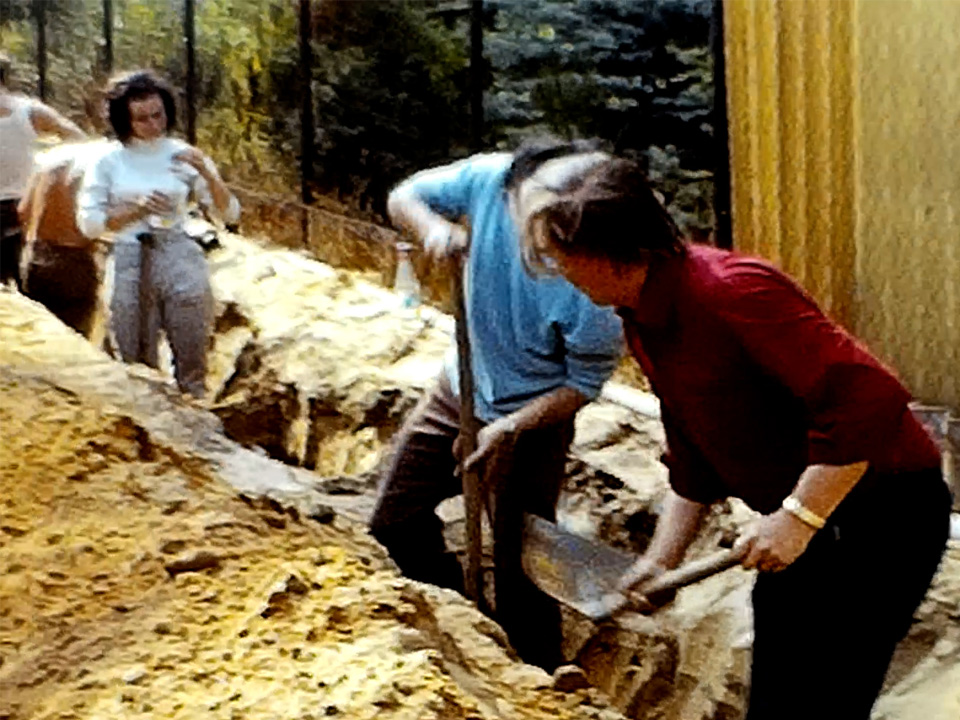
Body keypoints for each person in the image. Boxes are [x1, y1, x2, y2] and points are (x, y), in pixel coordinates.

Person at [515, 155, 951, 718]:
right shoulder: (642, 314)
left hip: (883, 514)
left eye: (563, 256)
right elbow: (693, 450)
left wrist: (800, 517)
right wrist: (661, 561)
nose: (559, 271)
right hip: (807, 517)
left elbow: (868, 400)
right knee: (775, 697)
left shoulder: (732, 292)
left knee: (826, 700)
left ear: (613, 252)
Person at [369, 140, 624, 672]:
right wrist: (433, 229)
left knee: (519, 568)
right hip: (459, 387)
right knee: (395, 522)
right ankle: (458, 625)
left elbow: (582, 384)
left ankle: (535, 677)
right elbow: (404, 197)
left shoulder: (594, 291)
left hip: (532, 421)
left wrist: (510, 427)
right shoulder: (490, 178)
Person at [77, 70, 240, 398]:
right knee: (135, 356)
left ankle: (194, 407)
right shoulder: (107, 161)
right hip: (129, 255)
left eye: (158, 115)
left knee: (191, 347)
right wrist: (137, 209)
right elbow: (90, 224)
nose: (153, 124)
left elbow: (230, 213)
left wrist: (207, 173)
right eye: (142, 119)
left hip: (179, 251)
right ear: (124, 120)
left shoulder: (184, 154)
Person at [0, 51, 86, 289]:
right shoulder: (30, 111)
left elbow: (79, 140)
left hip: (24, 209)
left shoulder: (28, 111)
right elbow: (78, 139)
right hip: (27, 208)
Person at [18, 141, 116, 338]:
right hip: (74, 261)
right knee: (73, 341)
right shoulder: (104, 162)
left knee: (37, 335)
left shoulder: (52, 159)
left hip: (35, 256)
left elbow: (23, 211)